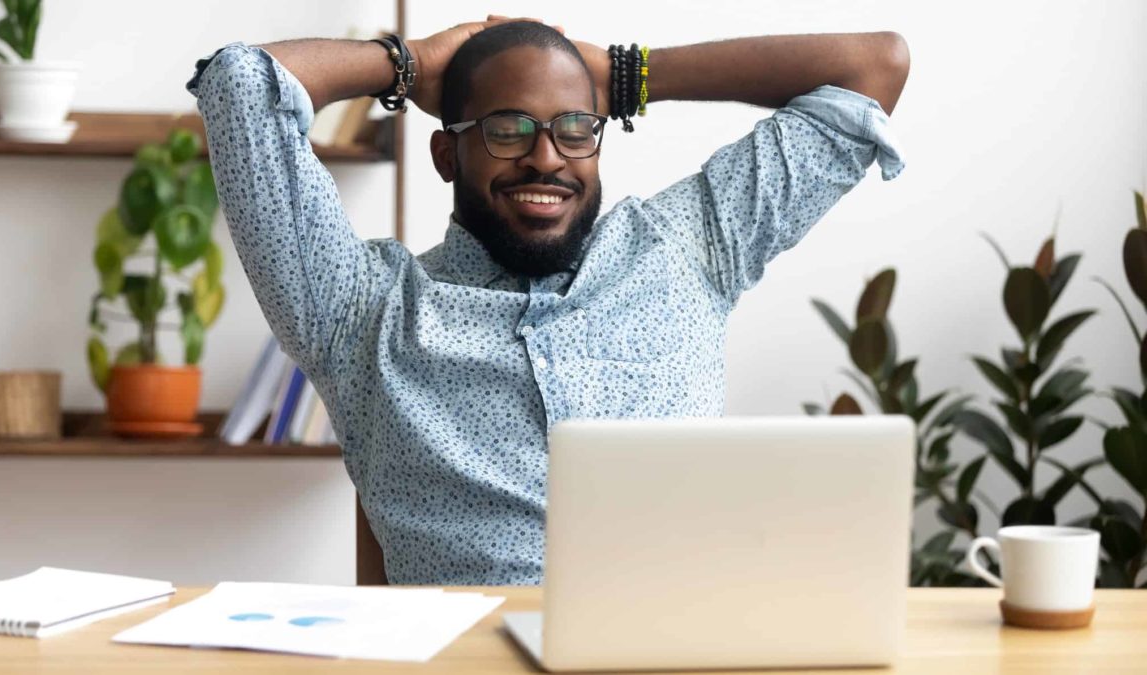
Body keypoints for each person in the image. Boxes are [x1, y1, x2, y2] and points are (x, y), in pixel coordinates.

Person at [185, 16, 910, 585]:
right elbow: (240, 84)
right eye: (507, 130)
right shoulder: (359, 311)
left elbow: (874, 67)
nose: (546, 157)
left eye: (574, 128)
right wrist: (412, 65)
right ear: (447, 154)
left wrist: (624, 76)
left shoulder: (687, 247)